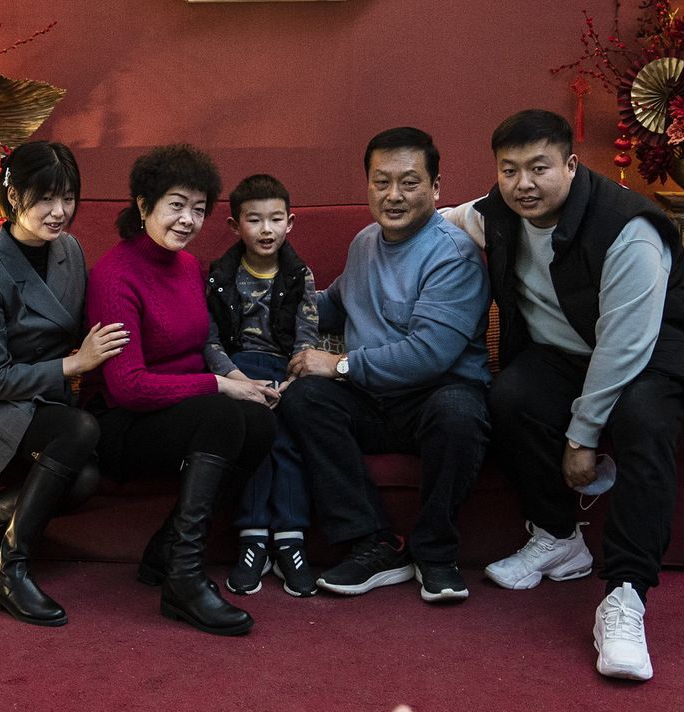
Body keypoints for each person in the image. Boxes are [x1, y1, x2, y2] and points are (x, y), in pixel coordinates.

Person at [446, 109, 684, 682]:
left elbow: (625, 345)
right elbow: (443, 219)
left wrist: (582, 437)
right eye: (509, 170)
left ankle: (626, 594)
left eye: (539, 168)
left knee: (643, 420)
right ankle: (558, 537)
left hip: (661, 350)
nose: (523, 184)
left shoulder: (628, 228)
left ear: (572, 166)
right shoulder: (497, 212)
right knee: (510, 396)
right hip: (571, 351)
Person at [279, 127, 492, 605]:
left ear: (435, 188)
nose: (393, 195)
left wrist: (337, 365)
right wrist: (270, 301)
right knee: (304, 398)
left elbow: (428, 354)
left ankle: (435, 553)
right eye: (382, 182)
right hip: (373, 402)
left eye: (409, 182)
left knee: (459, 412)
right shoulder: (364, 243)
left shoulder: (454, 254)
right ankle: (375, 543)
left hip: (435, 397)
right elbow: (335, 304)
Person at [0, 141, 129, 626]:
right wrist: (73, 365)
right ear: (14, 195)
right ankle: (10, 570)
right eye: (45, 198)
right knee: (80, 431)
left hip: (49, 403)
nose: (60, 212)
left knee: (84, 478)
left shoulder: (70, 250)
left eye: (68, 198)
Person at [86, 144, 277, 636]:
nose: (188, 220)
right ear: (143, 204)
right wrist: (217, 386)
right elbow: (127, 386)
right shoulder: (114, 275)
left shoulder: (190, 267)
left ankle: (165, 551)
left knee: (259, 419)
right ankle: (184, 580)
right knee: (222, 414)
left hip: (180, 412)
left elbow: (202, 345)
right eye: (176, 205)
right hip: (123, 424)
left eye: (198, 208)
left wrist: (239, 381)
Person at [201, 174, 321, 597]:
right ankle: (252, 537)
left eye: (275, 219)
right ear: (235, 226)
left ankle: (290, 538)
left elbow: (308, 338)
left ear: (290, 222)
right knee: (253, 440)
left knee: (286, 440)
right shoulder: (220, 276)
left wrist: (289, 381)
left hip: (286, 373)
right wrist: (238, 381)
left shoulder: (299, 275)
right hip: (238, 371)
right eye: (254, 220)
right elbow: (209, 340)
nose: (266, 229)